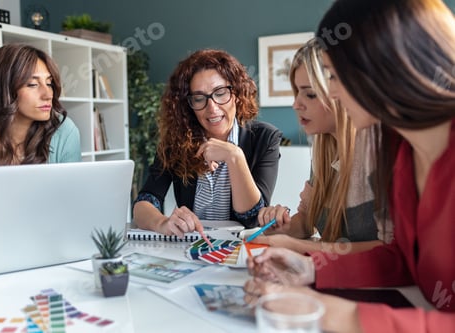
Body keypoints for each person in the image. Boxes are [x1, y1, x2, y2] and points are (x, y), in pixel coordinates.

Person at [244, 0, 455, 332]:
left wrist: (334, 313)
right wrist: (311, 270)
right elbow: (400, 259)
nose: (334, 93)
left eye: (333, 76)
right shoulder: (402, 156)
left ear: (385, 65)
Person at [253, 38, 390, 255]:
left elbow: (392, 250)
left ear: (340, 92)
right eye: (296, 92)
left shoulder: (377, 151)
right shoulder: (324, 146)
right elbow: (307, 221)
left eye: (310, 94)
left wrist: (300, 247)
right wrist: (281, 226)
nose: (296, 104)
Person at [133, 49, 282, 237]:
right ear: (189, 105)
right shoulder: (176, 141)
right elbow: (145, 201)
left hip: (241, 249)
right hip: (192, 247)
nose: (212, 108)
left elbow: (252, 217)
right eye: (199, 98)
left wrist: (234, 156)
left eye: (220, 93)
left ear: (236, 93)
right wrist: (162, 223)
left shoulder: (265, 137)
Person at [0, 43, 81, 172]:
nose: (48, 95)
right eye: (32, 84)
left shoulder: (63, 132)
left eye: (49, 83)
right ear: (3, 90)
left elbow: (73, 190)